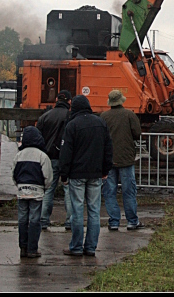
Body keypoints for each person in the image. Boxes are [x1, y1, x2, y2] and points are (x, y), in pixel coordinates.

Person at [59, 95, 113, 257]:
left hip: (77, 174)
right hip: (96, 173)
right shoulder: (100, 123)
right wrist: (105, 170)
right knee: (94, 211)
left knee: (77, 210)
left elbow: (66, 153)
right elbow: (108, 149)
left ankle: (76, 247)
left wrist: (64, 174)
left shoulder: (72, 125)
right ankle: (90, 247)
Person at [101, 90, 143, 231]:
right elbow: (137, 134)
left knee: (109, 192)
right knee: (129, 191)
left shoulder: (104, 117)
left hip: (108, 160)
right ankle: (132, 221)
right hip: (126, 159)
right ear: (122, 101)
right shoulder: (130, 115)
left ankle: (114, 222)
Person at [12, 126, 53, 258]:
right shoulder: (42, 156)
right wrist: (44, 188)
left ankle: (22, 248)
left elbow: (14, 173)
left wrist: (19, 185)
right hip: (37, 192)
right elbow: (48, 176)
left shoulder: (19, 155)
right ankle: (32, 249)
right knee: (35, 220)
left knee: (22, 219)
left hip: (22, 190)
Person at [36, 89, 73, 231]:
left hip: (48, 158)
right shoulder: (70, 117)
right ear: (69, 101)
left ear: (56, 100)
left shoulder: (45, 117)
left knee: (48, 190)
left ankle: (44, 220)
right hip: (66, 159)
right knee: (68, 190)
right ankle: (69, 221)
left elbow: (38, 138)